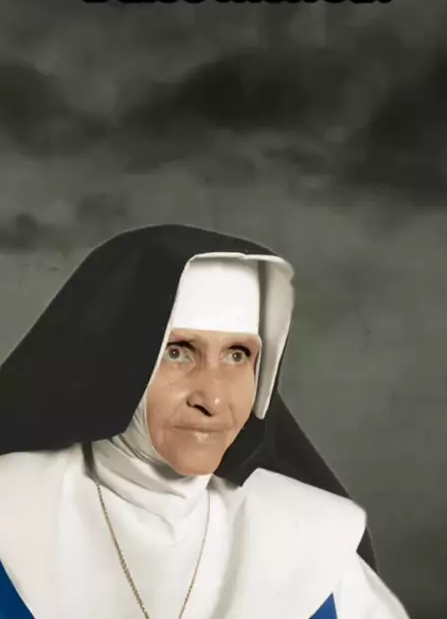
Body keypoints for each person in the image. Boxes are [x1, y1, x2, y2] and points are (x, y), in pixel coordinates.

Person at [0, 224, 409, 618]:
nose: (212, 399)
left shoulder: (311, 537)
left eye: (237, 356)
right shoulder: (10, 507)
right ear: (111, 360)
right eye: (177, 352)